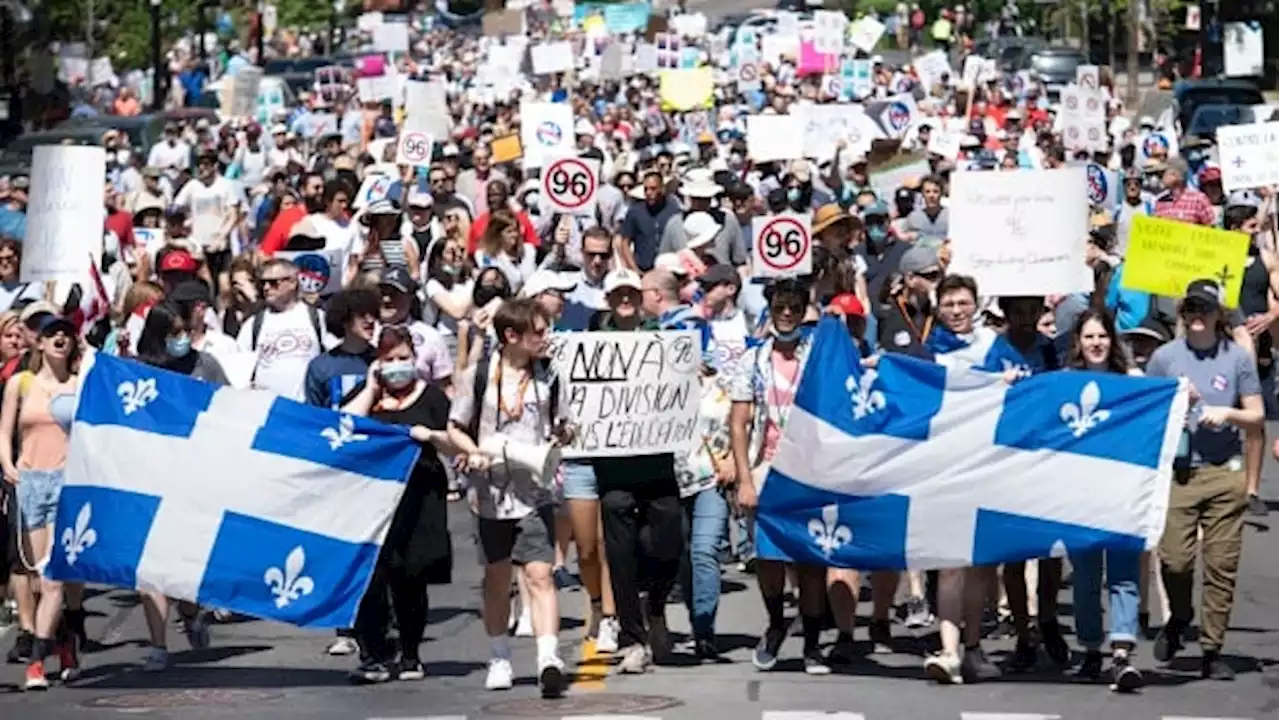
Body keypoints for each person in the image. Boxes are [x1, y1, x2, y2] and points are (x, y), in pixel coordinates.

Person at [446, 298, 572, 698]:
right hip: (490, 495)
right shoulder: (478, 375)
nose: (544, 337)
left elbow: (563, 423)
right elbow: (454, 427)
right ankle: (499, 655)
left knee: (540, 573)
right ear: (511, 336)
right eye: (537, 331)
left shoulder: (550, 375)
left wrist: (565, 436)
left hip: (534, 491)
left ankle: (548, 657)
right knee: (497, 577)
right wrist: (473, 451)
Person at [1145, 279, 1264, 680]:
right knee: (1175, 560)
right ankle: (1179, 615)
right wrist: (1178, 409)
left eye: (1206, 310)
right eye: (1191, 310)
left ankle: (1213, 649)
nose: (1198, 317)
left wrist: (1225, 413)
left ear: (1219, 315)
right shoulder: (1164, 358)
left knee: (1221, 565)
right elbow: (1147, 413)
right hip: (1180, 473)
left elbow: (1257, 417)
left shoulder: (1237, 359)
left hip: (1223, 471)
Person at [342, 325, 458, 683]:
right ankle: (373, 655)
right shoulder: (369, 393)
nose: (397, 365)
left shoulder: (432, 398)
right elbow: (344, 424)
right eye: (389, 359)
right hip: (372, 504)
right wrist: (371, 386)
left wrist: (432, 436)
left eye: (403, 358)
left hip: (420, 499)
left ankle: (410, 653)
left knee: (410, 579)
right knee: (370, 581)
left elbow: (456, 442)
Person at [731, 278, 832, 674]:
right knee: (768, 558)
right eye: (779, 307)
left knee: (810, 561)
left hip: (811, 471)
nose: (786, 314)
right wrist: (744, 479)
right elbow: (738, 423)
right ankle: (776, 623)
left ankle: (812, 644)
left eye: (794, 307)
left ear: (804, 311)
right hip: (767, 467)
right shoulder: (753, 360)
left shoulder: (818, 357)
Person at [590, 269, 684, 673]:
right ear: (608, 300)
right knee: (620, 555)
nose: (625, 300)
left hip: (658, 461)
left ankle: (657, 607)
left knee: (666, 540)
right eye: (618, 294)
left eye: (631, 293)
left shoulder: (661, 338)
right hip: (613, 468)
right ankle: (633, 638)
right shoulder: (590, 346)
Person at [132, 302, 227, 671]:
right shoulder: (137, 371)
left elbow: (231, 408)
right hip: (150, 477)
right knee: (149, 566)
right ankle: (158, 646)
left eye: (184, 330)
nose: (182, 339)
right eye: (173, 333)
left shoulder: (206, 366)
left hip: (196, 477)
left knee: (182, 568)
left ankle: (190, 612)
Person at [0, 315, 82, 689]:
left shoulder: (82, 384)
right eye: (52, 334)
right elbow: (5, 432)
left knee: (54, 577)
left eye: (66, 333)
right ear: (40, 343)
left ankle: (36, 661)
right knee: (38, 574)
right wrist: (8, 465)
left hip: (69, 482)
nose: (60, 339)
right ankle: (64, 643)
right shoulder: (21, 383)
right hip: (32, 481)